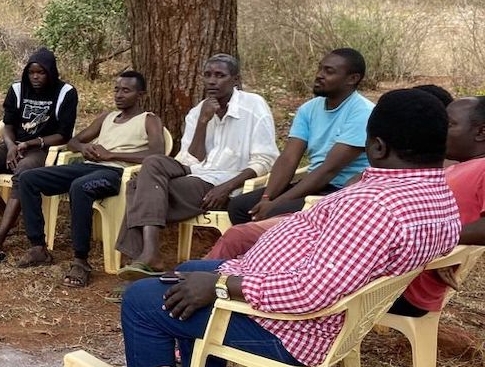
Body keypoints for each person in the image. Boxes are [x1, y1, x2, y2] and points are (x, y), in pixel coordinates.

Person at [114, 89, 461, 367]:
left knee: (141, 300)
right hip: (321, 313)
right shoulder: (438, 198)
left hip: (293, 327)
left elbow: (312, 292)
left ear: (376, 147)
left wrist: (220, 286)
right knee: (185, 273)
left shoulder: (373, 207)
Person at [209, 95, 485, 317]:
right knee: (192, 272)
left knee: (186, 282)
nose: (437, 131)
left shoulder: (382, 204)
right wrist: (439, 247)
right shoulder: (437, 177)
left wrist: (222, 286)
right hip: (332, 266)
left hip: (306, 303)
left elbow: (313, 290)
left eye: (448, 124)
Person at [114, 54, 278, 280]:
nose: (212, 81)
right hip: (194, 173)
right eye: (208, 75)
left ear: (236, 79)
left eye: (220, 76)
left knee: (136, 187)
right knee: (152, 162)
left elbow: (265, 159)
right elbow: (191, 159)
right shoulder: (198, 111)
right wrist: (203, 121)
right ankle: (149, 255)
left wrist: (226, 188)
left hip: (222, 184)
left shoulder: (254, 106)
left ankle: (143, 260)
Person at [0, 71, 164, 284]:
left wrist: (113, 155)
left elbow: (157, 154)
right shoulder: (106, 117)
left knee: (80, 187)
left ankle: (80, 260)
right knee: (28, 178)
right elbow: (72, 142)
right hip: (89, 166)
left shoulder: (148, 120)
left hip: (116, 173)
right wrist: (85, 147)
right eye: (116, 89)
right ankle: (37, 247)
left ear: (141, 95)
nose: (119, 95)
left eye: (126, 90)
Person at [225, 48, 373, 225]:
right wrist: (267, 197)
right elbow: (288, 158)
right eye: (320, 68)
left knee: (277, 213)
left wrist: (277, 203)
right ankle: (253, 252)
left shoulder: (363, 112)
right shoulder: (308, 109)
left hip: (344, 190)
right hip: (315, 183)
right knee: (240, 206)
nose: (319, 75)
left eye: (329, 71)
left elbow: (329, 170)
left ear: (352, 79)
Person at [0, 48, 77, 252]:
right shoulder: (17, 89)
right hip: (14, 144)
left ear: (51, 72)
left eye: (41, 72)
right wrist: (10, 146)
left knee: (23, 172)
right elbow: (8, 124)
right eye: (31, 72)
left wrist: (30, 143)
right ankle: (9, 218)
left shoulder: (65, 93)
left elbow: (63, 135)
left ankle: (0, 235)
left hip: (43, 148)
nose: (35, 77)